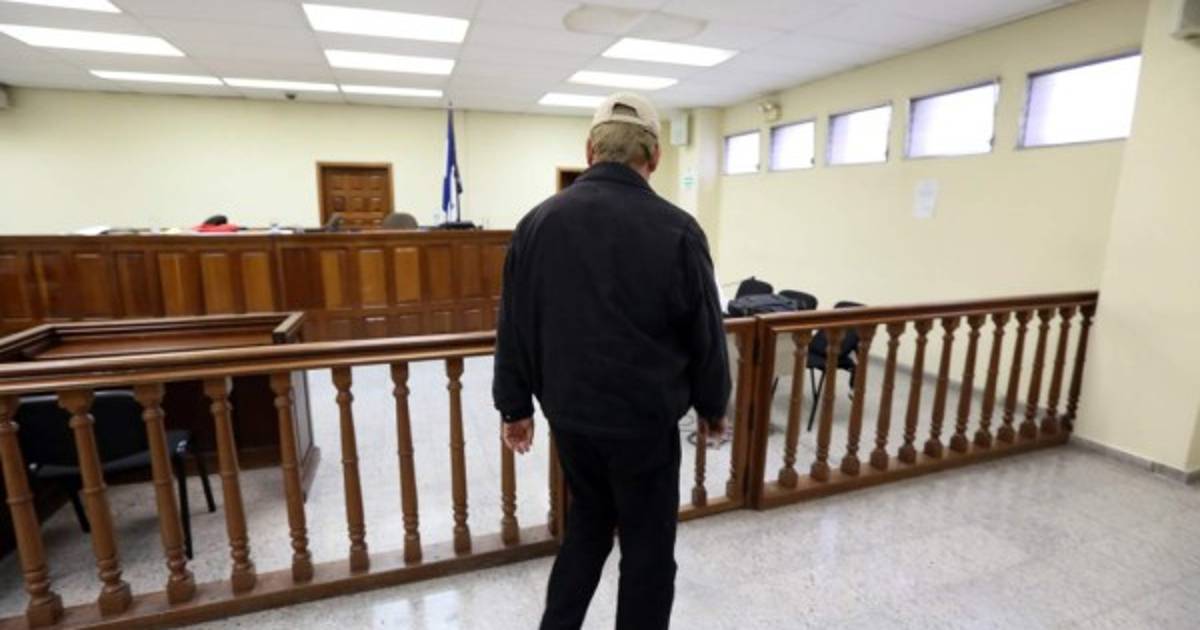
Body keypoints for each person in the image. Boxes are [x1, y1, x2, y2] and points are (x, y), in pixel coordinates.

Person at [492, 92, 730, 630]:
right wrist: (713, 405)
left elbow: (513, 323)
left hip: (572, 421)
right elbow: (705, 333)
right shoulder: (678, 230)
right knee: (648, 551)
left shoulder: (537, 224)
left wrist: (515, 407)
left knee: (588, 528)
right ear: (655, 157)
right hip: (645, 427)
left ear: (590, 150)